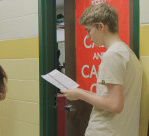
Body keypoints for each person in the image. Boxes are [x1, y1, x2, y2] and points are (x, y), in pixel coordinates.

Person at [61, 3, 142, 136]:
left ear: (101, 26)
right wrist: (80, 91)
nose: (87, 36)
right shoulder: (127, 53)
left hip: (106, 131)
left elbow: (115, 105)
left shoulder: (112, 55)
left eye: (88, 30)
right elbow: (109, 98)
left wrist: (80, 95)